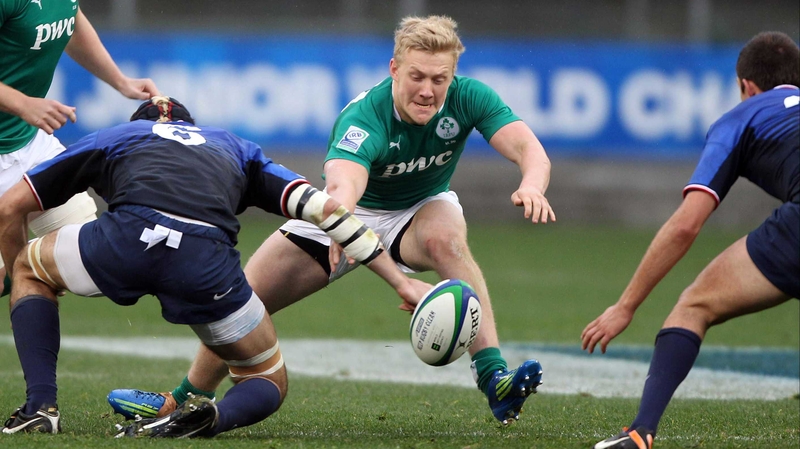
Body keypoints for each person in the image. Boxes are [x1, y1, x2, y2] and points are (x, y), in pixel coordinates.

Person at [108, 15, 555, 426]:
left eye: (439, 79)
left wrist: (532, 184)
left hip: (419, 207)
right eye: (416, 76)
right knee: (244, 303)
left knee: (447, 241)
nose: (427, 90)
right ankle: (182, 400)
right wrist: (341, 223)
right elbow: (343, 187)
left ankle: (494, 378)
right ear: (394, 68)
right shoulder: (365, 118)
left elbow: (526, 148)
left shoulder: (470, 96)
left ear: (452, 76)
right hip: (345, 212)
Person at [0, 96, 432, 437]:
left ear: (140, 124)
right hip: (206, 265)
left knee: (28, 268)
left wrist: (14, 272)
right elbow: (327, 209)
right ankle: (213, 418)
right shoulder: (236, 147)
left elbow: (11, 207)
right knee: (267, 380)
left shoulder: (118, 136)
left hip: (125, 240)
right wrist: (399, 282)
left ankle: (41, 407)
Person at [583, 31, 799, 449]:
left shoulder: (743, 116)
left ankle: (640, 433)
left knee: (694, 304)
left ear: (745, 87)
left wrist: (625, 306)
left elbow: (686, 225)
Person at [0, 2, 159, 295]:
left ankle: (18, 267)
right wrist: (23, 104)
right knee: (38, 269)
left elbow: (70, 21)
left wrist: (120, 81)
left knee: (84, 263)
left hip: (28, 143)